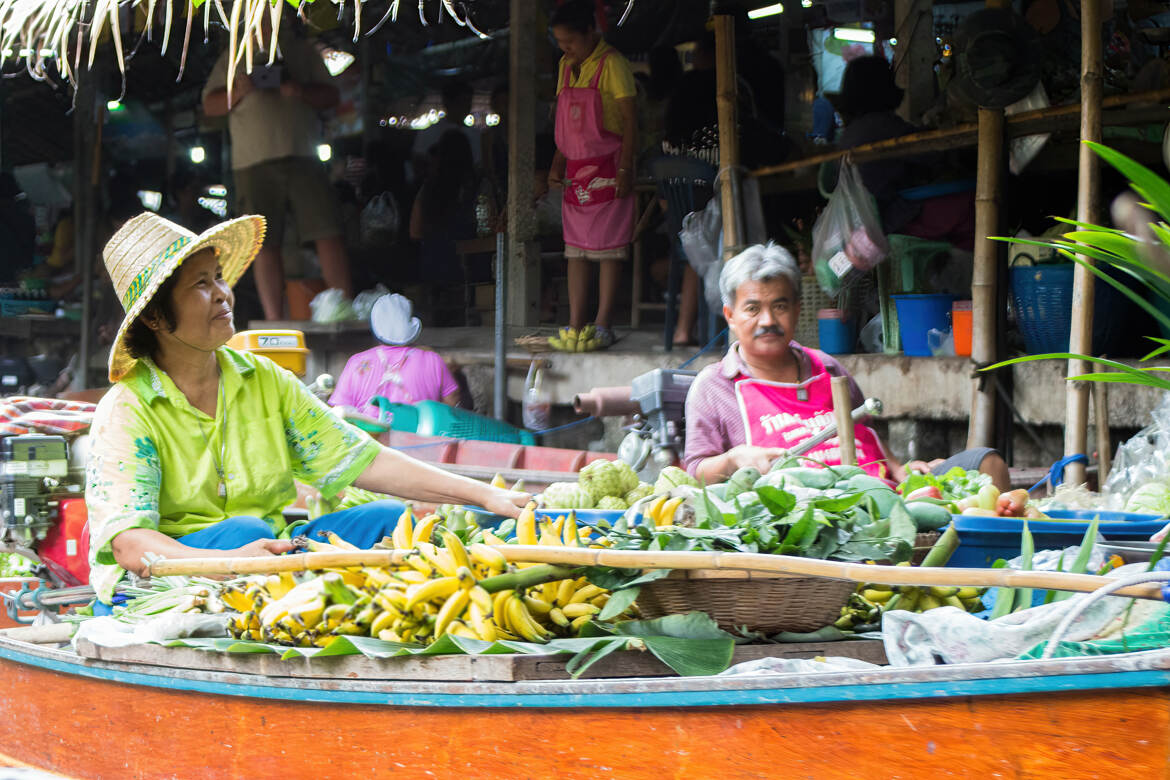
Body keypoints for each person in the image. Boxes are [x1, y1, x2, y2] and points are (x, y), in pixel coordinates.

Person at [85, 213, 527, 609]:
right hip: (171, 577)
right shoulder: (129, 410)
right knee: (244, 530)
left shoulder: (262, 379)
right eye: (201, 284)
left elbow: (360, 458)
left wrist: (485, 495)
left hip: (268, 555)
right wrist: (230, 560)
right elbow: (129, 544)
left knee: (389, 522)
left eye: (218, 277)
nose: (223, 294)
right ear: (156, 319)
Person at [682, 243, 1010, 489]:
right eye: (753, 309)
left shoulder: (826, 367)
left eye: (779, 306)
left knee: (987, 465)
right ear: (731, 317)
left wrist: (900, 468)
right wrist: (733, 459)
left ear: (797, 310)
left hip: (878, 490)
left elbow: (865, 434)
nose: (768, 320)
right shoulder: (714, 386)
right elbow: (694, 472)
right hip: (807, 512)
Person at [201, 18, 354, 321]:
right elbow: (209, 106)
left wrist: (298, 90)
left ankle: (345, 309)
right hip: (253, 162)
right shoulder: (235, 54)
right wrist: (239, 91)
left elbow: (332, 96)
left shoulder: (300, 49)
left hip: (303, 155)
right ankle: (274, 319)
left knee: (327, 231)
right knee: (263, 243)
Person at [547, 0, 638, 348]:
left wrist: (627, 167)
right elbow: (565, 125)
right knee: (576, 250)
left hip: (609, 165)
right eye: (559, 42)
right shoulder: (565, 67)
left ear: (590, 32)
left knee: (608, 248)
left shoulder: (612, 63)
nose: (564, 48)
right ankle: (575, 322)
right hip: (575, 168)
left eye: (569, 41)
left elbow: (631, 121)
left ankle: (602, 323)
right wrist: (556, 164)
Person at [329, 293, 462, 419]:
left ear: (375, 327)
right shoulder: (433, 360)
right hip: (421, 441)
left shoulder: (356, 362)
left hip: (370, 440)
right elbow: (452, 401)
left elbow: (338, 410)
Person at [409, 129, 480, 282]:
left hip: (434, 267)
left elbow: (414, 232)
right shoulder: (474, 186)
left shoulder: (428, 189)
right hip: (470, 269)